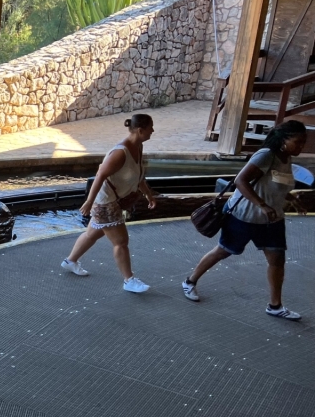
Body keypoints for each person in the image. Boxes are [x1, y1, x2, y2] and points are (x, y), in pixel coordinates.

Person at [182, 120, 308, 318]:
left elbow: (276, 185)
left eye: (304, 142)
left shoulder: (287, 157)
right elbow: (240, 181)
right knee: (223, 251)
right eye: (298, 142)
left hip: (272, 219)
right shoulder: (266, 155)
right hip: (244, 216)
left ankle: (275, 306)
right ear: (284, 140)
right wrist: (262, 205)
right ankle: (189, 281)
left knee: (277, 260)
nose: (301, 146)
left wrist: (292, 200)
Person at [61, 114, 158, 292]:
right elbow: (100, 175)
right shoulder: (120, 153)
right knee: (121, 241)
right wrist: (89, 202)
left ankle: (70, 261)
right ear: (140, 130)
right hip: (106, 202)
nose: (153, 130)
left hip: (113, 200)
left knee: (93, 234)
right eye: (151, 127)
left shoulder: (138, 146)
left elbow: (139, 176)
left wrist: (148, 195)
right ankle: (129, 281)